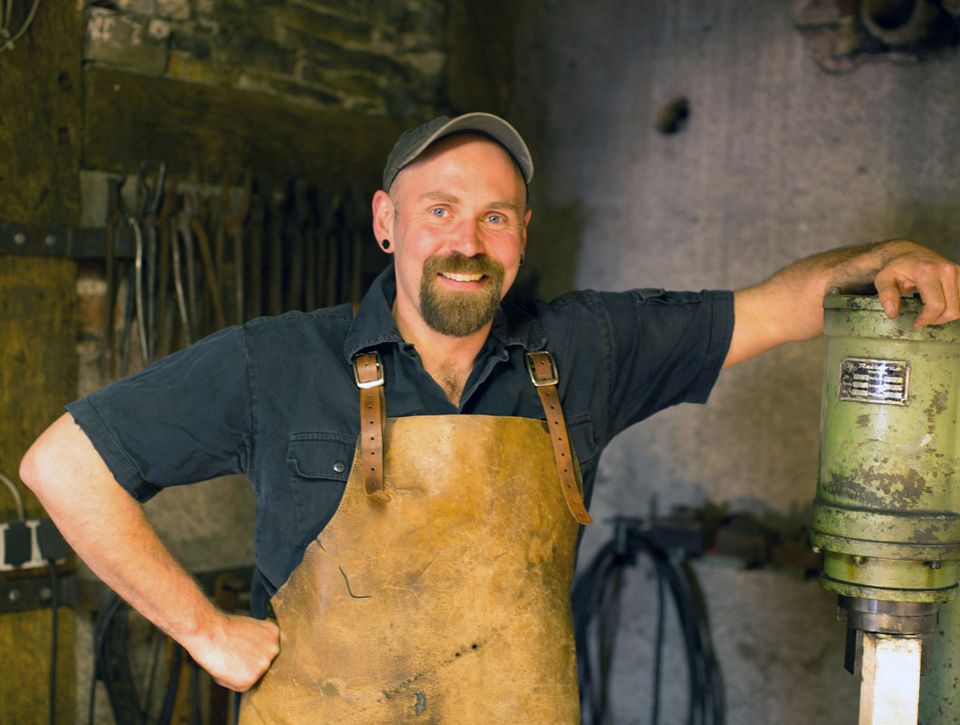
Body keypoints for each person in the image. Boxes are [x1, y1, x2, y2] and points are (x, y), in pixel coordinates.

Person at [20, 112, 960, 722]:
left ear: (521, 234)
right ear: (387, 223)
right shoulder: (276, 361)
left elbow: (773, 307)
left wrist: (892, 256)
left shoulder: (585, 349)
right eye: (440, 210)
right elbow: (63, 464)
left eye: (496, 217)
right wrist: (199, 629)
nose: (466, 242)